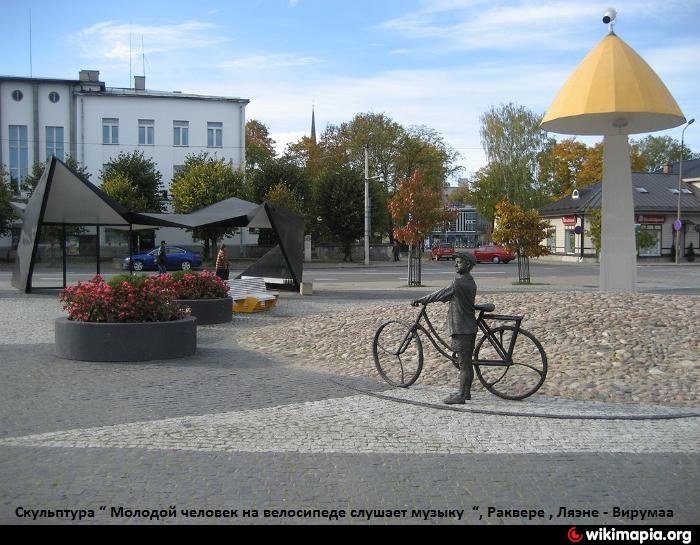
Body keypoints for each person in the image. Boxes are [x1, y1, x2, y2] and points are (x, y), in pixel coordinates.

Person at [412, 251, 478, 404]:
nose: (455, 264)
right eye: (455, 261)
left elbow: (439, 293)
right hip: (468, 326)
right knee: (466, 362)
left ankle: (461, 396)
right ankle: (466, 392)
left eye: (459, 262)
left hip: (461, 327)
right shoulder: (469, 280)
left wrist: (421, 299)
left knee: (464, 364)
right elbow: (448, 295)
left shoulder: (458, 283)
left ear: (467, 265)